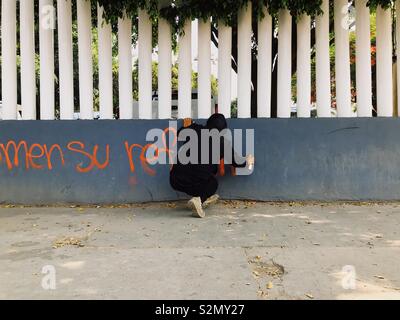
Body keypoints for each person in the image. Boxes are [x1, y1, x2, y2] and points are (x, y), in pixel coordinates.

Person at [170, 113, 255, 218]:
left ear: (208, 122)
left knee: (198, 177)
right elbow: (238, 163)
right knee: (212, 183)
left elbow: (179, 133)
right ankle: (199, 200)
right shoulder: (223, 143)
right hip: (196, 182)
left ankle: (202, 198)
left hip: (175, 180)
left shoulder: (194, 129)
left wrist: (190, 125)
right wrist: (248, 160)